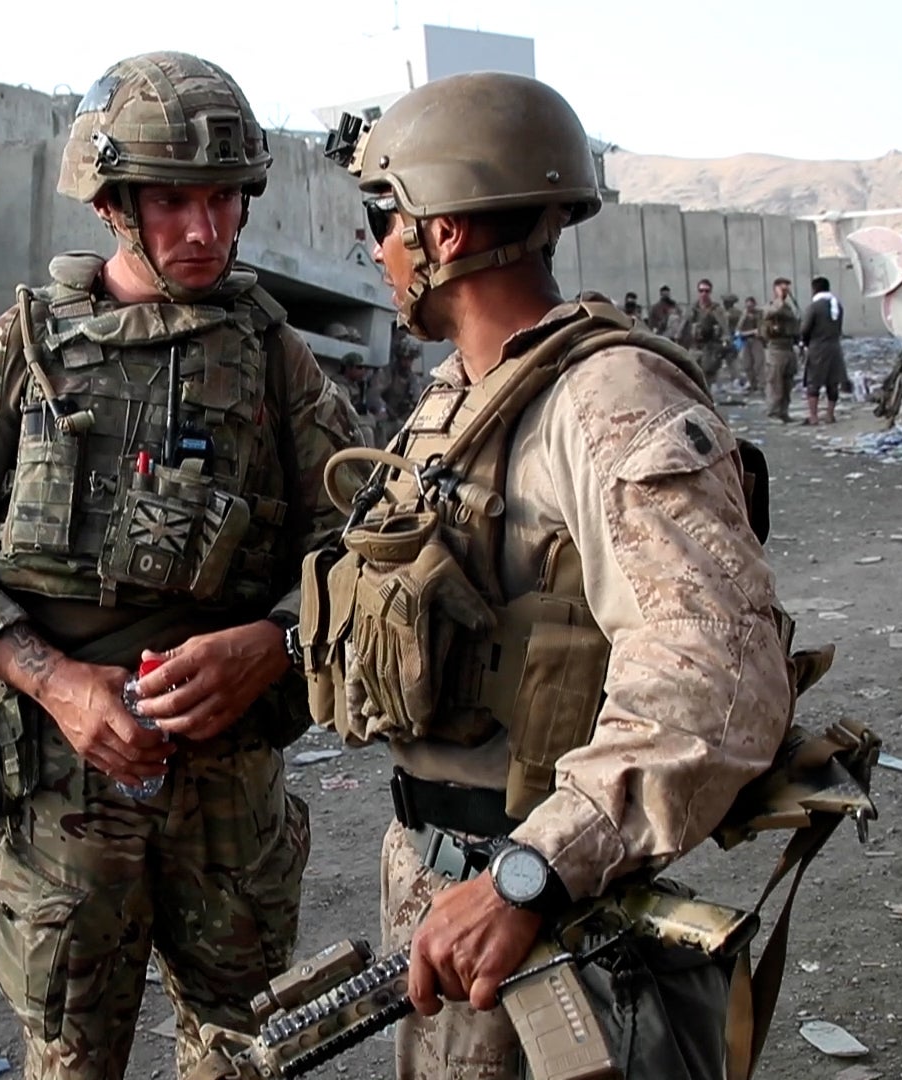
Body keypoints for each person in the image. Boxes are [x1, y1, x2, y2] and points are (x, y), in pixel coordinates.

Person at [0, 51, 356, 1080]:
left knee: (246, 1048)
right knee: (69, 1054)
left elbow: (364, 547)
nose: (205, 230)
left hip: (229, 783)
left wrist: (274, 643)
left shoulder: (276, 358)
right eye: (175, 201)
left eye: (224, 200)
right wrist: (53, 685)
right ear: (113, 204)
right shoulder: (23, 349)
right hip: (63, 782)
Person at [329, 71, 791, 1079]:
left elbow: (717, 677)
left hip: (551, 921)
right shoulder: (462, 398)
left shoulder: (607, 398)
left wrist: (533, 877)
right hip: (454, 905)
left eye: (385, 216)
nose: (378, 249)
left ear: (441, 231)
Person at [799, 275, 846, 424]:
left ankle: (814, 416)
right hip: (835, 348)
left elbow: (805, 329)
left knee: (814, 383)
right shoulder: (837, 306)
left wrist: (803, 343)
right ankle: (830, 415)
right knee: (833, 383)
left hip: (818, 348)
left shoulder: (814, 307)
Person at [760, 278, 800, 422]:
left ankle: (784, 412)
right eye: (782, 289)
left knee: (787, 384)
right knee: (775, 384)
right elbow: (770, 313)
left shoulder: (789, 307)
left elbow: (797, 318)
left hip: (788, 348)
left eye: (787, 289)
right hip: (775, 350)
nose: (785, 292)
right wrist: (780, 298)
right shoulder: (771, 306)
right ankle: (773, 413)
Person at [378, 330, 429, 436]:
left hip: (403, 420)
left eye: (410, 359)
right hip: (386, 420)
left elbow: (417, 399)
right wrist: (385, 409)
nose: (407, 363)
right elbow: (374, 395)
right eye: (404, 359)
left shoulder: (413, 379)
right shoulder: (387, 373)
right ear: (399, 358)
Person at [684, 277, 727, 390]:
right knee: (691, 376)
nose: (704, 294)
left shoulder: (716, 309)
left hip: (709, 346)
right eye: (701, 290)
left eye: (706, 291)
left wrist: (723, 343)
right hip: (694, 347)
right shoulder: (693, 308)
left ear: (710, 292)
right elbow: (682, 326)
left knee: (707, 377)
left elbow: (724, 328)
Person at [735, 295, 763, 390]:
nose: (749, 308)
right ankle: (752, 383)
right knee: (747, 364)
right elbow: (738, 331)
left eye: (751, 306)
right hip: (746, 341)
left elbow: (760, 329)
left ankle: (759, 383)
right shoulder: (743, 315)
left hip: (756, 341)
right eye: (748, 307)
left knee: (758, 363)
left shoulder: (759, 314)